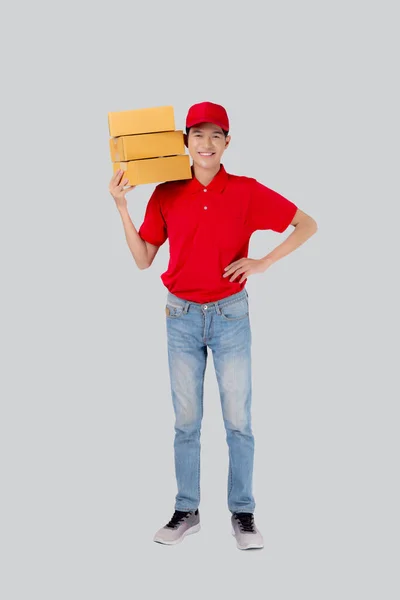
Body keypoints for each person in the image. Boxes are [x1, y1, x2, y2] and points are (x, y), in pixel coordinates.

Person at [109, 101, 318, 550]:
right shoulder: (166, 192)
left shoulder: (245, 191)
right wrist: (122, 207)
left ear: (227, 143)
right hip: (180, 316)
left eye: (216, 135)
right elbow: (143, 259)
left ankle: (243, 513)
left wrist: (263, 262)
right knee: (186, 422)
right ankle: (187, 509)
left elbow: (306, 224)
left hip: (230, 316)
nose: (207, 144)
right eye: (198, 135)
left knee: (238, 420)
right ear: (184, 141)